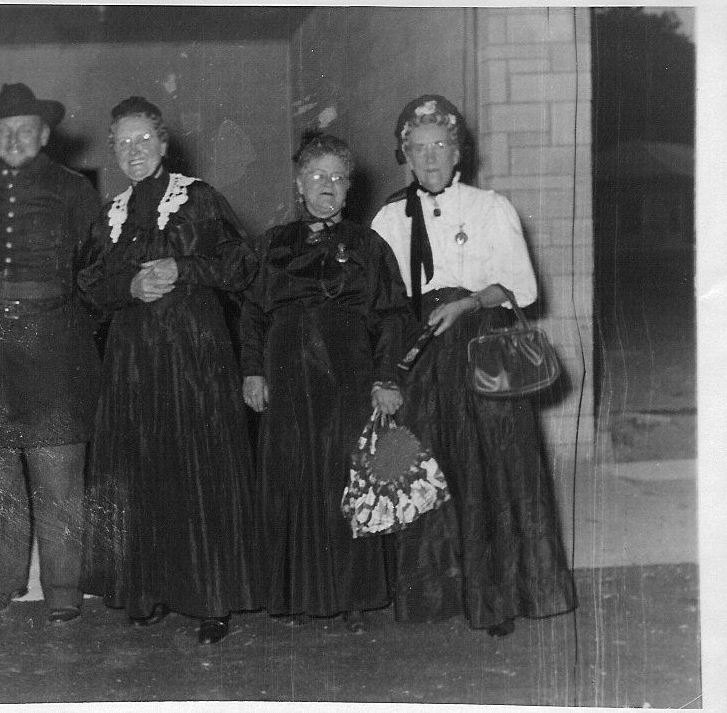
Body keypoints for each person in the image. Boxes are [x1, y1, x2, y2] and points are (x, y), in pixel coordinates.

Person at [371, 94, 577, 637]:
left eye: (440, 146)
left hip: (483, 352)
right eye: (419, 148)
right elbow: (382, 303)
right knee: (431, 471)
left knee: (493, 469)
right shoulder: (390, 218)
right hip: (423, 356)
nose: (430, 157)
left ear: (458, 152)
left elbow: (523, 289)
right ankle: (436, 597)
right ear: (405, 156)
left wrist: (467, 302)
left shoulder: (491, 207)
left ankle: (499, 597)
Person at [240, 131, 454, 633]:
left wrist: (386, 378)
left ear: (349, 188)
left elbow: (392, 317)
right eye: (318, 176)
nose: (328, 185)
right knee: (290, 480)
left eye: (338, 178)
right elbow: (251, 313)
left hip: (348, 379)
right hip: (286, 379)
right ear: (299, 183)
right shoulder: (272, 244)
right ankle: (292, 596)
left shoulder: (368, 246)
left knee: (347, 480)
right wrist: (252, 370)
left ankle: (354, 597)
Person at [79, 96, 259, 645]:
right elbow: (89, 285)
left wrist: (183, 267)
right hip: (133, 363)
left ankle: (210, 599)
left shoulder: (198, 198)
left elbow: (242, 264)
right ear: (113, 150)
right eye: (123, 143)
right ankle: (147, 591)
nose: (134, 151)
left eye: (143, 140)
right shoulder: (110, 213)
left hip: (193, 357)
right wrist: (128, 286)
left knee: (197, 468)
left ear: (163, 143)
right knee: (141, 471)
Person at [0, 83, 102, 625]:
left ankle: (62, 588)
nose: (14, 139)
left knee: (58, 473)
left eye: (25, 130)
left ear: (45, 135)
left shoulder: (74, 190)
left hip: (55, 345)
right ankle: (2, 582)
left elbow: (95, 268)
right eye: (5, 130)